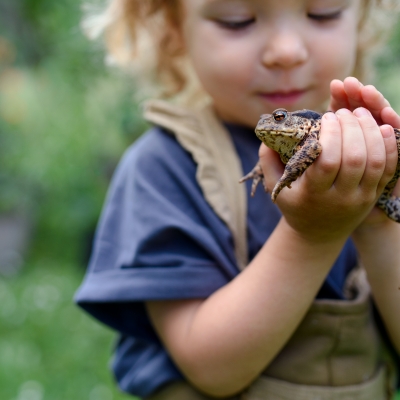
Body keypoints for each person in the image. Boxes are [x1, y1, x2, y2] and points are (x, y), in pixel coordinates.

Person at [75, 0, 400, 398]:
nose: (285, 52)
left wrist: (378, 216)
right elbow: (211, 371)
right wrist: (313, 235)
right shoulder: (163, 169)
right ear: (173, 30)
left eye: (323, 13)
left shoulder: (373, 155)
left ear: (361, 19)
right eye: (237, 20)